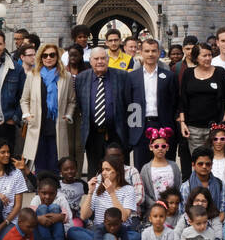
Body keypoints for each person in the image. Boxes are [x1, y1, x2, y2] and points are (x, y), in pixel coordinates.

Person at [177, 43, 225, 171]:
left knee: (214, 164)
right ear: (196, 57)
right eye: (204, 55)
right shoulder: (188, 73)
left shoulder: (220, 72)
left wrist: (223, 121)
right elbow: (183, 100)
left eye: (210, 55)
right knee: (199, 164)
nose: (208, 58)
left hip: (214, 128)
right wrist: (183, 123)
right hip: (193, 128)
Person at [75, 46, 130, 175]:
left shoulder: (122, 76)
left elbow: (130, 104)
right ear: (90, 60)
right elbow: (79, 104)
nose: (100, 61)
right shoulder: (81, 78)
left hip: (116, 133)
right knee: (95, 171)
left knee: (118, 170)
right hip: (93, 134)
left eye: (103, 58)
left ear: (108, 59)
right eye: (96, 59)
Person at [126, 38, 177, 169]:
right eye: (147, 51)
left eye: (154, 51)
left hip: (163, 125)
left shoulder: (169, 76)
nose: (150, 54)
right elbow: (129, 104)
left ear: (159, 52)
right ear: (141, 53)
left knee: (165, 166)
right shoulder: (132, 77)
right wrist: (132, 128)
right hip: (140, 126)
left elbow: (175, 102)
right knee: (141, 168)